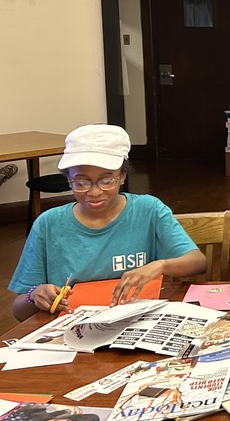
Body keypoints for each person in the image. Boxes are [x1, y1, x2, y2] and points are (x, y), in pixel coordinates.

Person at [9, 125, 206, 321]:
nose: (94, 192)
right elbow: (19, 312)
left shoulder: (148, 210)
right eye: (81, 182)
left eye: (106, 181)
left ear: (122, 176)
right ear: (68, 180)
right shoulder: (48, 224)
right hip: (72, 326)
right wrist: (34, 296)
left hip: (137, 322)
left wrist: (160, 265)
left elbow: (198, 262)